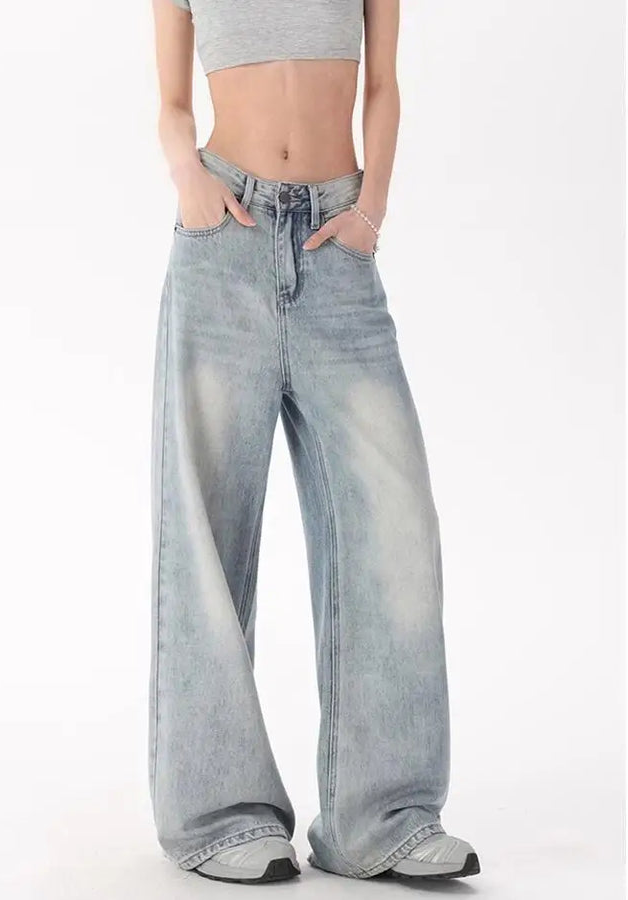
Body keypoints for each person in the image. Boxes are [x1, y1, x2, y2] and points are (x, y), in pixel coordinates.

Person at [148, 0, 480, 884]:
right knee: (207, 535)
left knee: (395, 529)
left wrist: (373, 207)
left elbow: (385, 84)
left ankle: (381, 818)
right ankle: (217, 815)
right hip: (224, 239)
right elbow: (171, 102)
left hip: (339, 247)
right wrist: (187, 178)